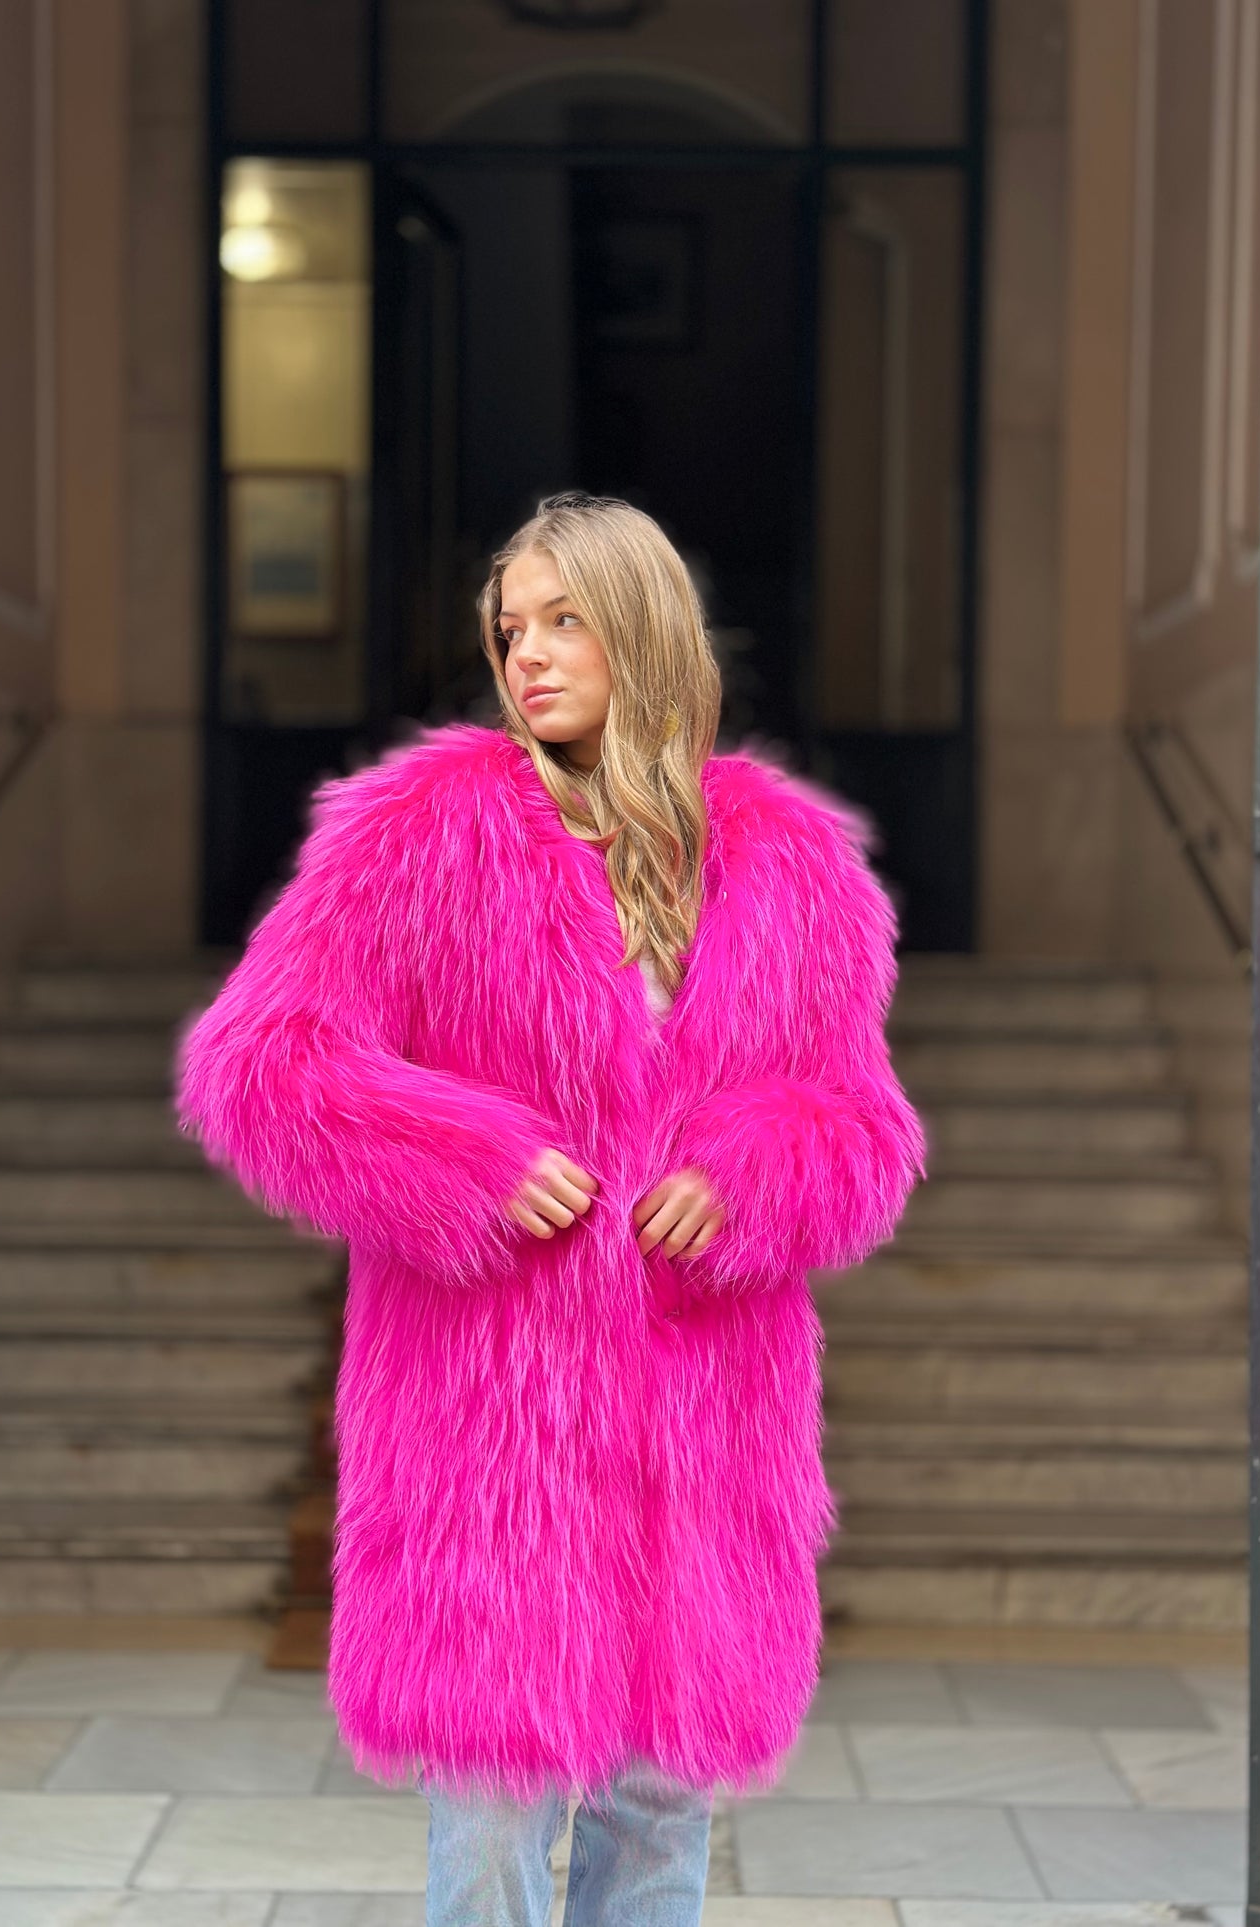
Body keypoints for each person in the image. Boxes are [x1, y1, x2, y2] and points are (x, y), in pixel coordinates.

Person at [175, 491, 927, 1925]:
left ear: (644, 630)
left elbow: (863, 1128)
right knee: (492, 1820)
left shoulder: (791, 870)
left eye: (564, 620)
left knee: (658, 1819)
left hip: (703, 1437)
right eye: (509, 626)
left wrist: (746, 1176)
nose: (526, 653)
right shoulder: (424, 836)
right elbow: (260, 1061)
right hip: (487, 1425)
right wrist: (467, 1157)